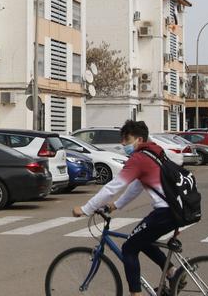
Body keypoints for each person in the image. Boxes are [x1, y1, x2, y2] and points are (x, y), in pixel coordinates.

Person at [71, 120, 180, 296]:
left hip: (165, 212)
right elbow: (137, 185)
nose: (123, 143)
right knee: (140, 238)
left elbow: (113, 187)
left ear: (139, 139)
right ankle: (173, 273)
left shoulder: (139, 158)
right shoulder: (154, 153)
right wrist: (115, 205)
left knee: (129, 247)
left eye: (126, 139)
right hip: (176, 209)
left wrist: (86, 209)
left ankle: (136, 293)